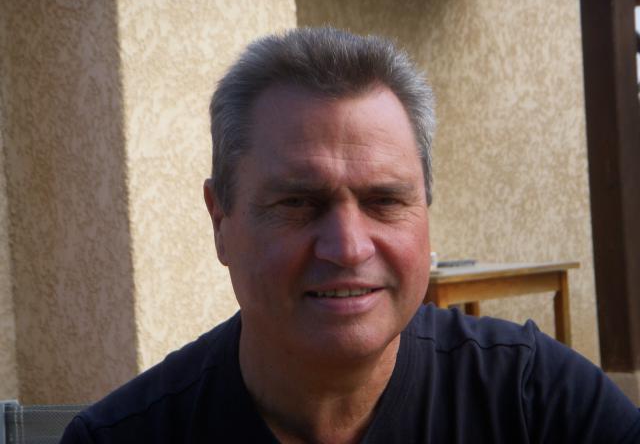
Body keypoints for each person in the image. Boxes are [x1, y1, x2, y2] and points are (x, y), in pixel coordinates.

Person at [61, 27, 640, 443]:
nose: (348, 247)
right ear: (220, 222)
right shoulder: (121, 436)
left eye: (385, 201)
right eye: (297, 203)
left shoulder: (540, 404)